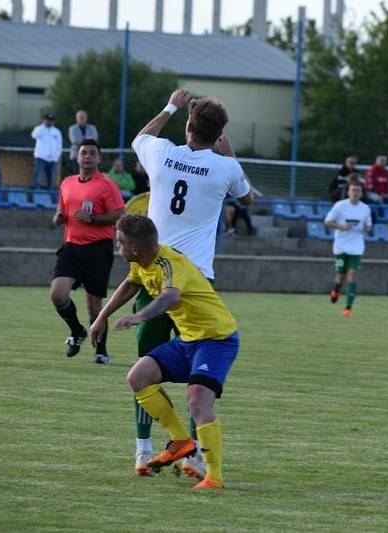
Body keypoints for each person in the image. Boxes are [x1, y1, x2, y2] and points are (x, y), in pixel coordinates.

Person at [129, 88, 253, 479]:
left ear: (187, 127)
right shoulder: (225, 168)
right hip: (198, 284)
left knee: (145, 370)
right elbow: (247, 199)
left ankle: (143, 448)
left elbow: (139, 139)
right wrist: (228, 153)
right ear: (218, 135)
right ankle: (196, 454)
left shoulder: (163, 153)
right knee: (200, 375)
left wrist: (169, 105)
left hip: (154, 277)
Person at [89, 214, 240, 490]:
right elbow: (130, 284)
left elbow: (171, 296)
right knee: (138, 377)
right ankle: (181, 441)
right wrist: (102, 316)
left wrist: (139, 317)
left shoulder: (171, 262)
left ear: (134, 248)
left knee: (197, 402)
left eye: (119, 242)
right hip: (187, 341)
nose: (116, 246)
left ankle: (213, 477)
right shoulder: (141, 263)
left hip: (216, 340)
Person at [50, 139, 125, 364]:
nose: (88, 156)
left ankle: (101, 350)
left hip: (97, 249)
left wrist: (93, 219)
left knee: (93, 305)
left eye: (92, 153)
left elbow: (121, 213)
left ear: (99, 158)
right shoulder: (67, 183)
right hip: (71, 246)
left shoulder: (106, 185)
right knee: (57, 293)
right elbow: (61, 209)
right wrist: (58, 217)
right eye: (84, 153)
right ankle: (77, 331)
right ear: (77, 156)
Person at [324, 177, 372, 318]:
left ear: (361, 193)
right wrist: (341, 226)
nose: (355, 193)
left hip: (356, 248)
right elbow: (327, 222)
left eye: (358, 190)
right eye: (353, 190)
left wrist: (367, 228)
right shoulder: (340, 206)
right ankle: (336, 290)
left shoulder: (365, 208)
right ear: (348, 192)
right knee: (340, 277)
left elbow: (368, 227)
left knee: (352, 275)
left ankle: (348, 307)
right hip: (340, 247)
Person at [31, 113, 63, 190]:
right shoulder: (39, 129)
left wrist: (56, 157)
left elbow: (59, 145)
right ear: (44, 120)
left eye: (51, 120)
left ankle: (49, 193)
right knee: (37, 177)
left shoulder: (57, 131)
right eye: (48, 120)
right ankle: (36, 191)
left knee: (51, 178)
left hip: (52, 159)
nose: (49, 122)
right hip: (41, 158)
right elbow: (34, 135)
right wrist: (43, 126)